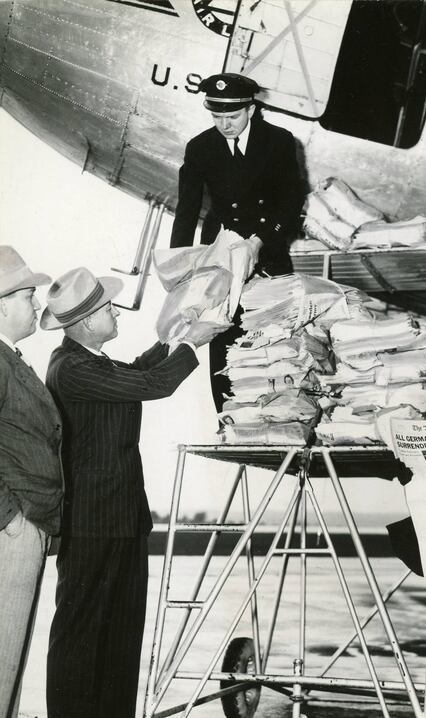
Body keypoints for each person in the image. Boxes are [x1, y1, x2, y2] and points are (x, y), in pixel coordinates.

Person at [42, 267, 224, 718]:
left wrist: (176, 334)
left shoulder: (91, 362)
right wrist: (191, 344)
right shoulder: (72, 368)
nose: (116, 314)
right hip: (92, 523)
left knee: (121, 635)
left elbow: (138, 371)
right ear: (86, 322)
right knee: (81, 631)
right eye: (108, 308)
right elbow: (152, 385)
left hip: (120, 519)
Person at [170, 72, 305, 411]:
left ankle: (279, 415)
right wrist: (178, 271)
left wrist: (261, 241)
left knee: (274, 341)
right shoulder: (200, 147)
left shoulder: (279, 141)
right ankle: (231, 419)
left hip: (269, 252)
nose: (224, 125)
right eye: (217, 117)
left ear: (251, 109)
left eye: (231, 117)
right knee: (223, 342)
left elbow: (291, 201)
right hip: (221, 260)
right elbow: (185, 211)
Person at [0, 246, 63, 718]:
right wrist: (11, 518)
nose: (37, 305)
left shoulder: (11, 359)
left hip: (26, 524)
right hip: (13, 528)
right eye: (28, 295)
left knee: (11, 656)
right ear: (1, 304)